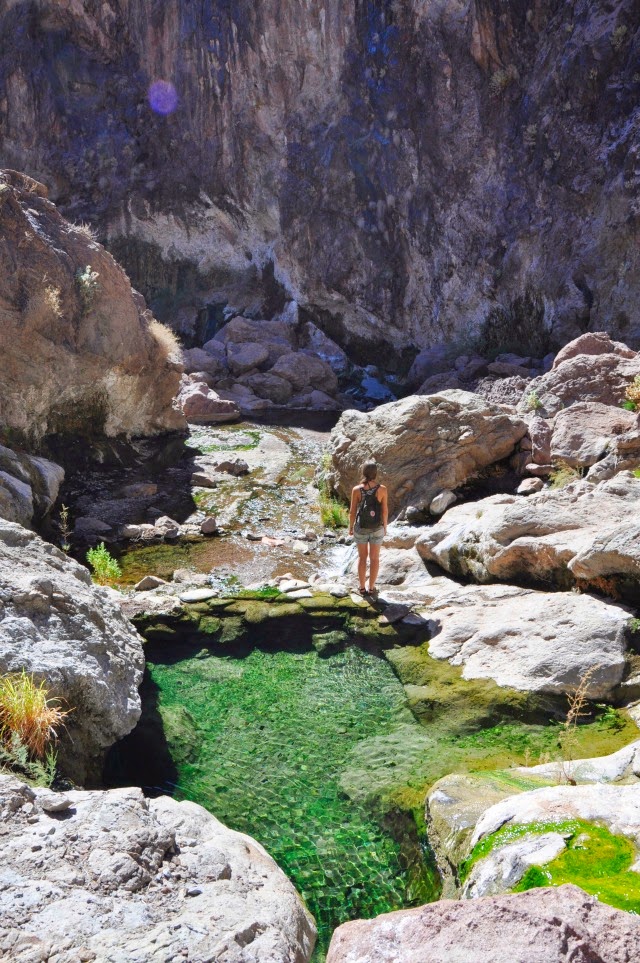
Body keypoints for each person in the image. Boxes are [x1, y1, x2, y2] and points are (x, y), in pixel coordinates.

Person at [348, 459, 388, 598]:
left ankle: (362, 588)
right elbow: (384, 510)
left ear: (363, 472)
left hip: (361, 527)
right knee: (375, 558)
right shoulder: (382, 489)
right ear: (375, 473)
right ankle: (372, 588)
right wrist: (385, 526)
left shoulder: (357, 490)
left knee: (362, 557)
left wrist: (350, 527)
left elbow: (352, 512)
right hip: (377, 528)